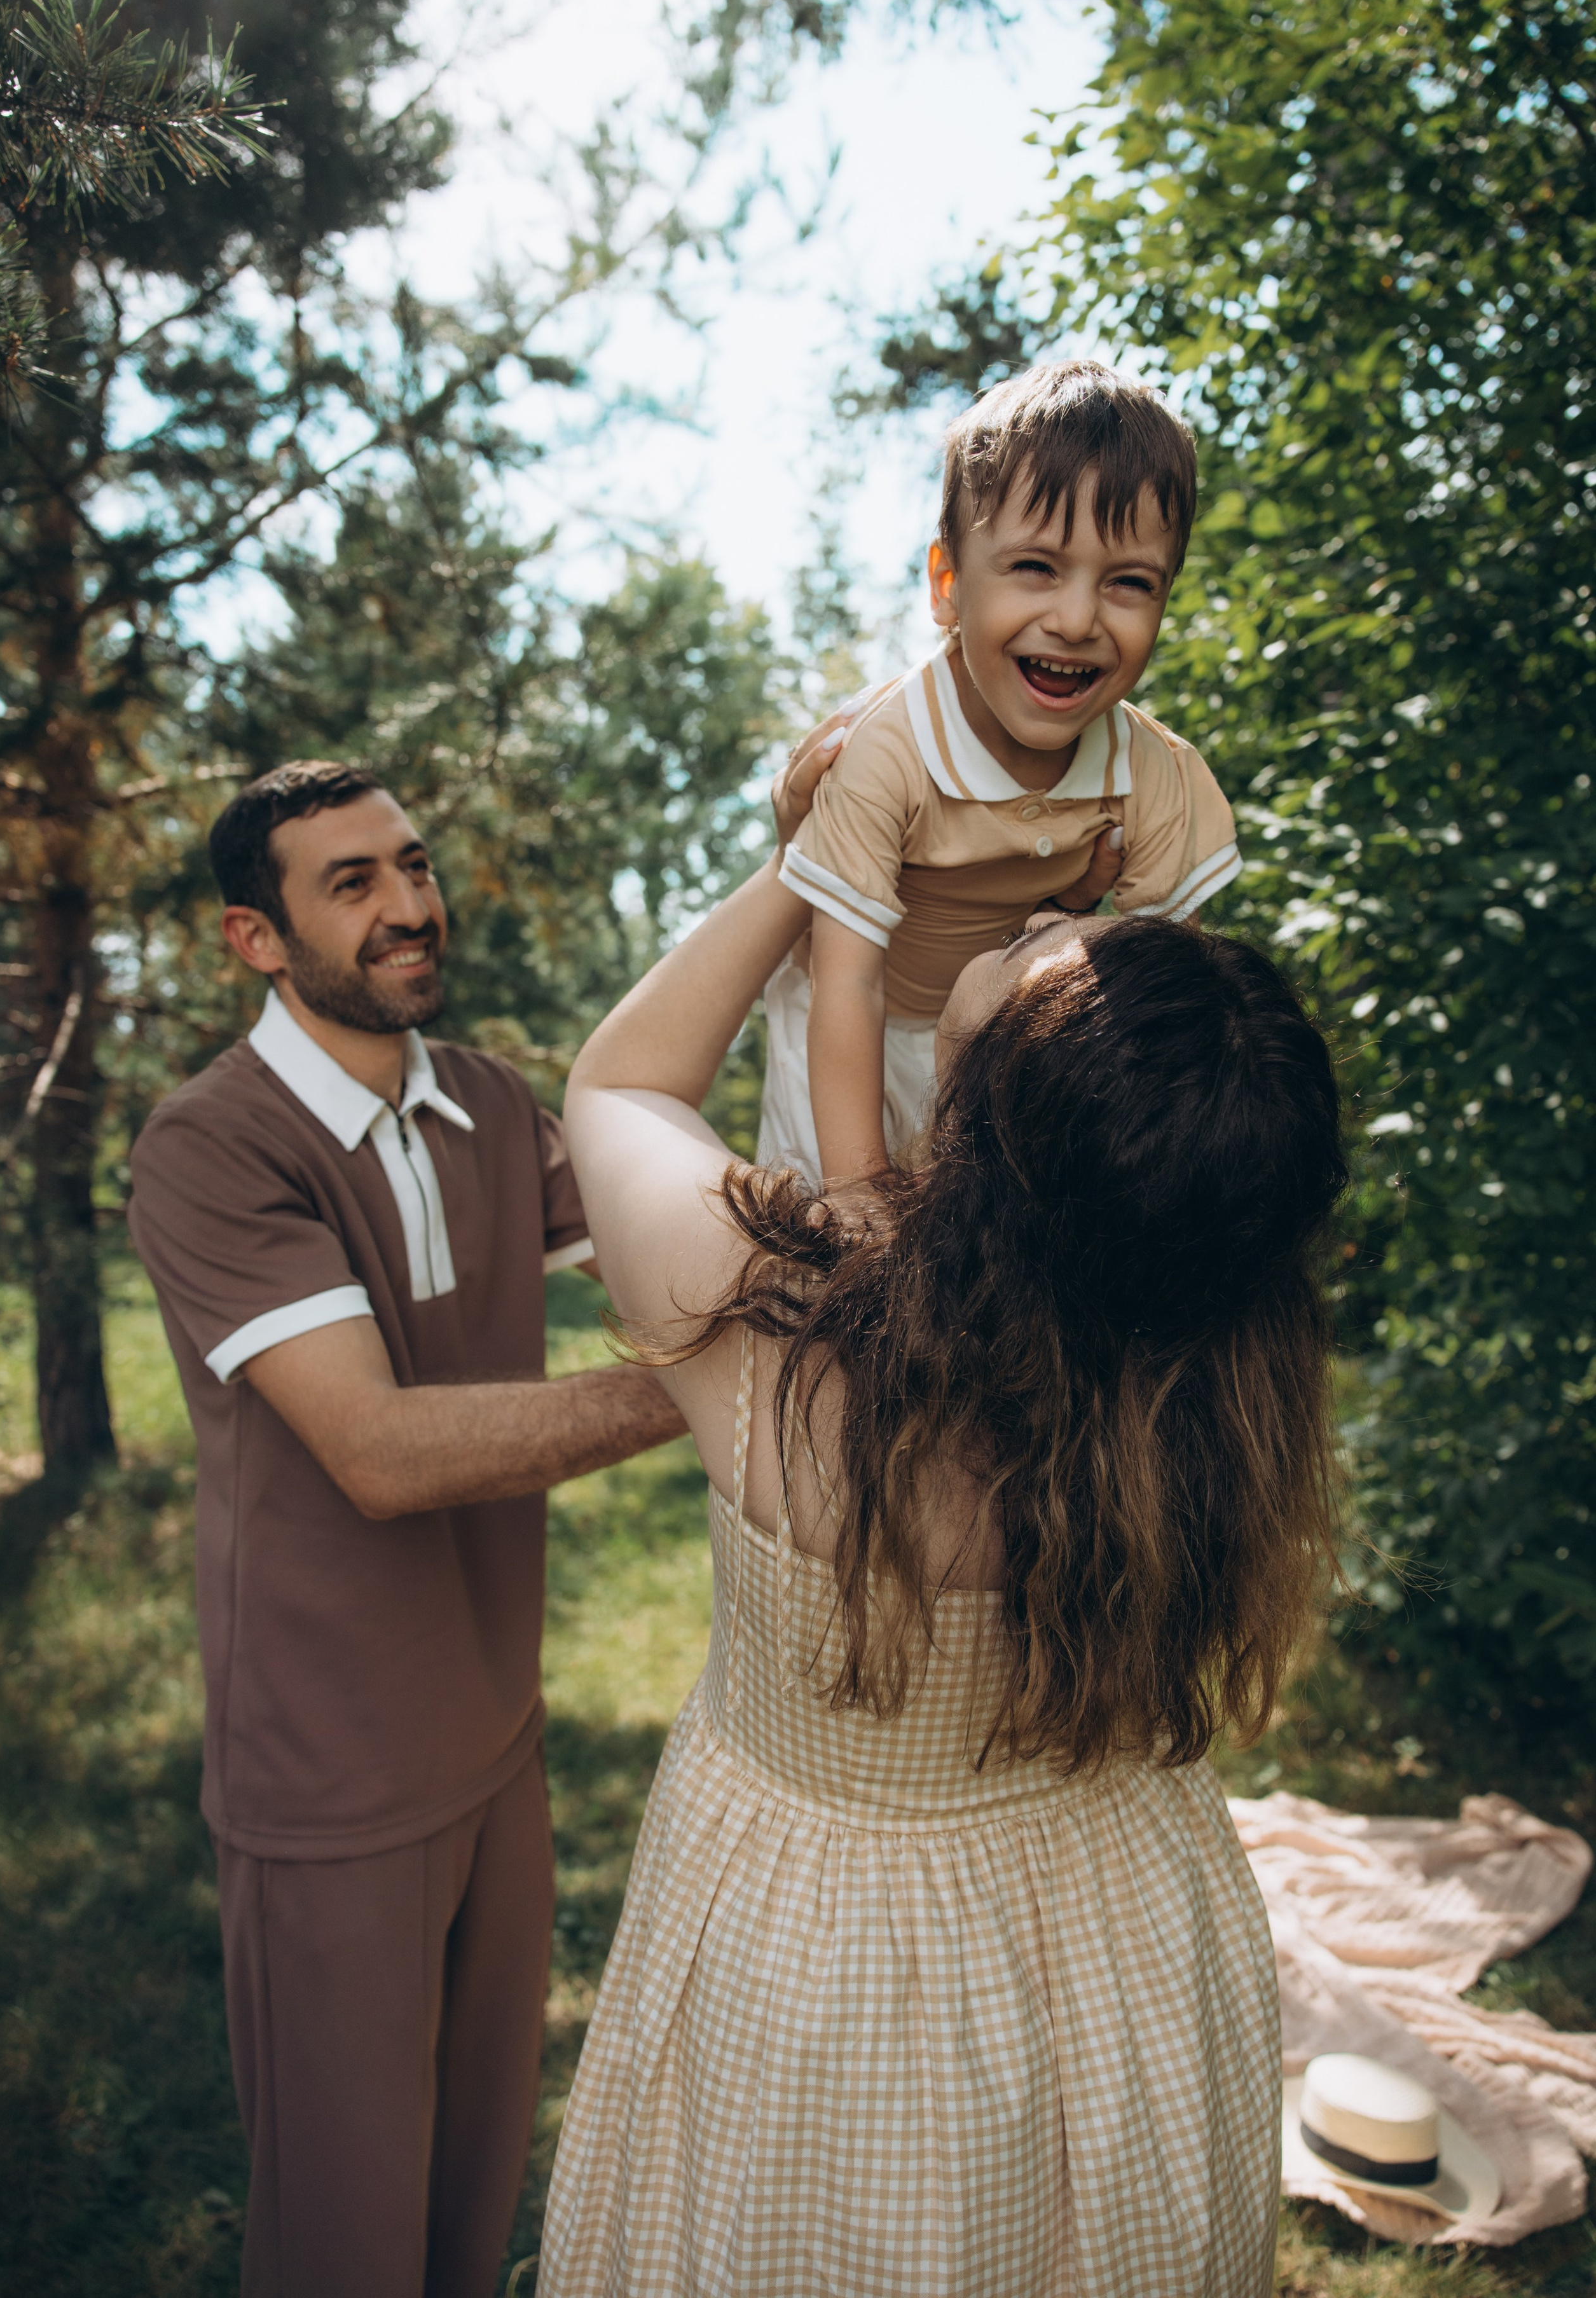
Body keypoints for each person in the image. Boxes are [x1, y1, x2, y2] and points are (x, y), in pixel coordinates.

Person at [535, 730, 1345, 2297]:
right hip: (1127, 1932)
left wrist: (809, 855)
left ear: (996, 1113)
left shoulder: (795, 1341)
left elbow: (619, 1082)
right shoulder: (1221, 1384)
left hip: (832, 1975)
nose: (1043, 925)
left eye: (1054, 952)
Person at [127, 761, 687, 2298]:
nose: (409, 906)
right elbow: (373, 1451)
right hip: (330, 1772)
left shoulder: (490, 1102)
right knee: (343, 2244)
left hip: (496, 1739)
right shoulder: (213, 1146)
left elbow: (667, 1237)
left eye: (414, 866)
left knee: (465, 2216)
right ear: (256, 938)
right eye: (352, 883)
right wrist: (702, 1385)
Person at [761, 358, 1242, 1201]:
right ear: (949, 586)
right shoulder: (890, 750)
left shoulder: (1153, 773)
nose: (1078, 619)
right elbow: (850, 980)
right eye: (1036, 568)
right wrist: (858, 1188)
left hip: (1002, 1037)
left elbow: (1163, 1005)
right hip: (847, 1027)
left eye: (1129, 583)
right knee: (825, 1249)